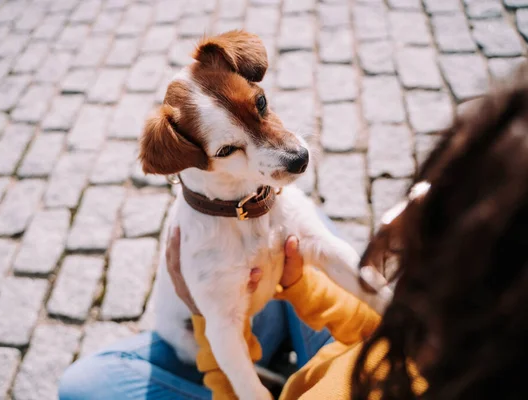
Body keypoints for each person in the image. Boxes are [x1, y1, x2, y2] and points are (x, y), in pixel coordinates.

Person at [59, 69, 528, 399]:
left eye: (435, 209)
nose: (389, 223)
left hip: (217, 336)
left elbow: (222, 333)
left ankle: (271, 372)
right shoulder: (441, 350)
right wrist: (304, 285)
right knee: (314, 232)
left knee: (83, 385)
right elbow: (334, 272)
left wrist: (209, 325)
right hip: (336, 328)